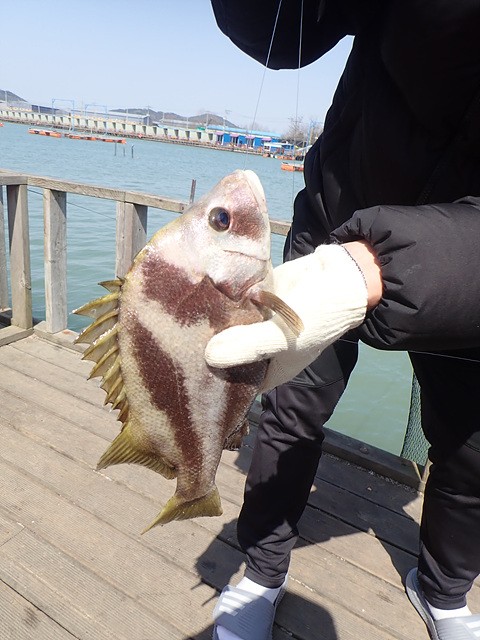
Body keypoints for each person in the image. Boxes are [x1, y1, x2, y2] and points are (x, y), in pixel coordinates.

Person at [205, 1, 480, 640]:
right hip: (336, 219)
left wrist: (388, 269)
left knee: (471, 447)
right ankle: (262, 572)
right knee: (291, 407)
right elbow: (282, 35)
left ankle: (444, 590)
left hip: (466, 267)